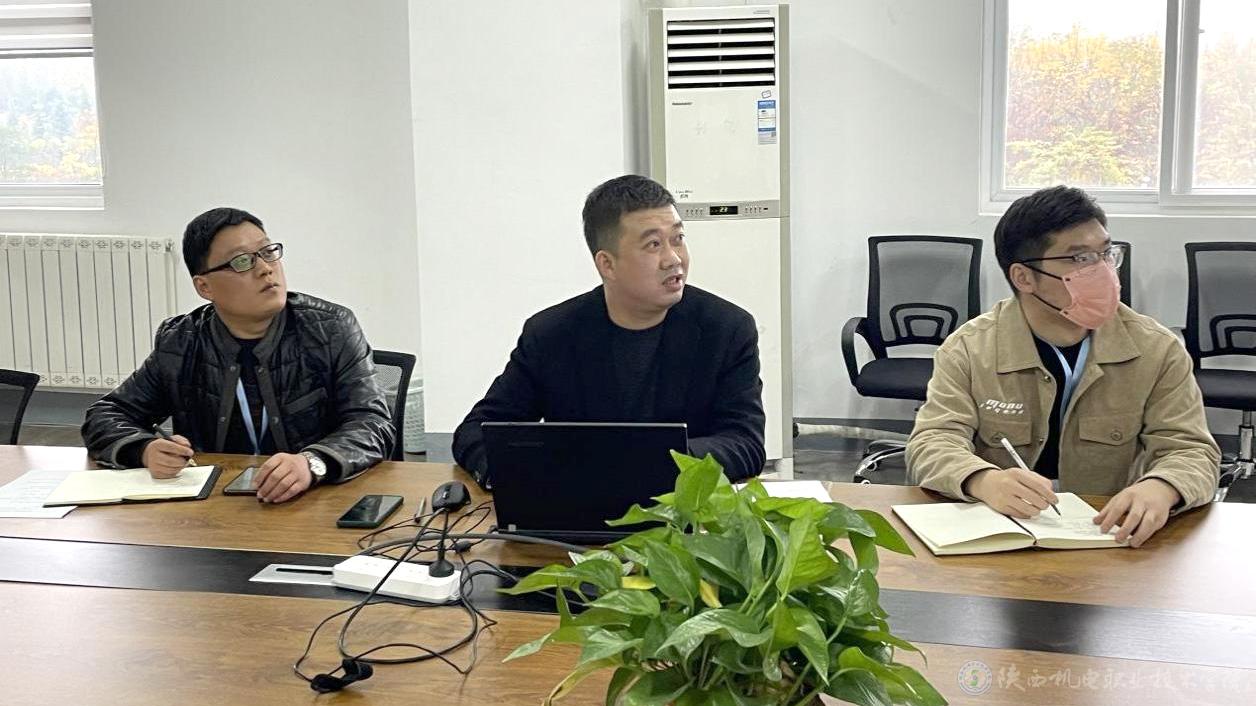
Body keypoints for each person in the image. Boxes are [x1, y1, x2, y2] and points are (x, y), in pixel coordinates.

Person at [907, 185, 1219, 548]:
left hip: (1107, 533)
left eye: (1106, 253)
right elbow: (932, 441)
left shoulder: (1156, 349)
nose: (1103, 271)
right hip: (999, 532)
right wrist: (982, 479)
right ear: (1024, 277)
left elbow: (1192, 450)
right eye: (1080, 258)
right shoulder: (969, 349)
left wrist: (1161, 487)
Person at [452, 175, 766, 486]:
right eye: (653, 244)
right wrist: (526, 471)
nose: (673, 259)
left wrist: (647, 461)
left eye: (678, 239)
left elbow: (745, 443)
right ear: (607, 264)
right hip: (578, 507)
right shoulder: (551, 334)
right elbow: (475, 432)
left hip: (683, 508)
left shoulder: (726, 329)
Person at [82, 207, 395, 503]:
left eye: (268, 252)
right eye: (242, 261)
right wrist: (144, 449)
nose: (265, 268)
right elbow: (106, 415)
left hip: (316, 500)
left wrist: (313, 462)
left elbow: (372, 422)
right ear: (204, 287)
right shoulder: (182, 341)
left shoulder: (330, 328)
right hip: (214, 507)